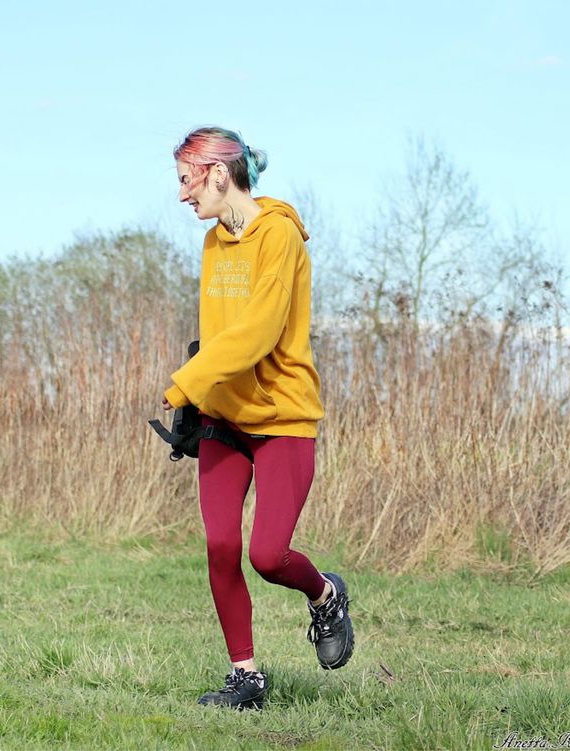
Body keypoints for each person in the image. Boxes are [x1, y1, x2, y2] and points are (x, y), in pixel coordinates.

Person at [162, 126, 354, 710]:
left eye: (186, 181)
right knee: (220, 545)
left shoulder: (280, 238)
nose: (181, 196)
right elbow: (221, 332)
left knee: (267, 555)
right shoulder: (213, 242)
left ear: (220, 174)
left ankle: (325, 596)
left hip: (282, 417)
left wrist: (185, 381)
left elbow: (260, 329)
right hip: (223, 416)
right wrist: (201, 395)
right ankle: (246, 678)